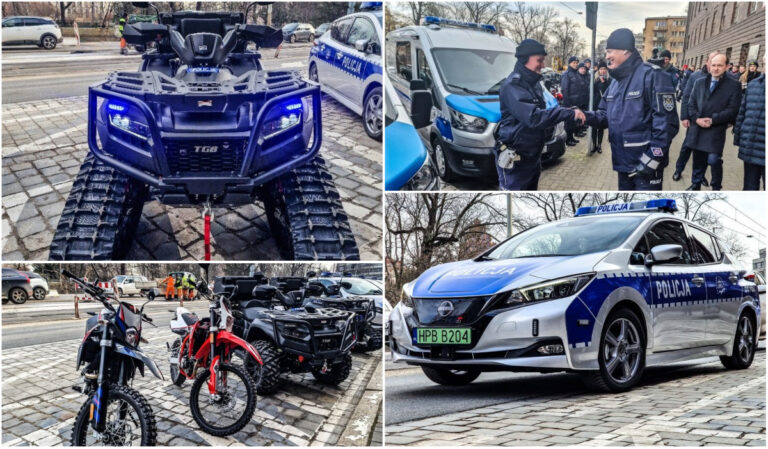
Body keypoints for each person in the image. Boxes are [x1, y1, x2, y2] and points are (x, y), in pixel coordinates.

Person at [583, 28, 679, 190]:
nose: (606, 57)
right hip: (623, 164)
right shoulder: (615, 82)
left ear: (625, 51)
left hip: (646, 168)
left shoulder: (653, 76)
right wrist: (581, 116)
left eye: (609, 51)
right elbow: (604, 115)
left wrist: (650, 162)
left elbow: (667, 124)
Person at [496, 39, 585, 190]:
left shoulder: (534, 83)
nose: (543, 65)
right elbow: (534, 117)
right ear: (525, 59)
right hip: (515, 158)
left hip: (532, 155)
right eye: (540, 60)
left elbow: (545, 112)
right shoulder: (512, 86)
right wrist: (567, 113)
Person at [686, 52, 742, 191]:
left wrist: (713, 120)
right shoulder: (699, 82)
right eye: (713, 65)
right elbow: (691, 103)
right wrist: (697, 119)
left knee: (713, 159)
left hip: (716, 129)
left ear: (727, 66)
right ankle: (695, 184)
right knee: (698, 159)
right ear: (709, 65)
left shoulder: (733, 85)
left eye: (719, 65)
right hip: (698, 127)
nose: (716, 68)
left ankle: (716, 186)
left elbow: (733, 109)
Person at [672, 52, 716, 183]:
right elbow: (686, 96)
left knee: (704, 150)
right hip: (694, 119)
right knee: (687, 147)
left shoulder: (723, 79)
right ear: (707, 62)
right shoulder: (696, 76)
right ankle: (678, 170)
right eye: (712, 61)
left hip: (711, 122)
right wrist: (685, 117)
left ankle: (699, 175)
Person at [733, 71, 764, 190]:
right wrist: (738, 137)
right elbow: (742, 112)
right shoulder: (753, 85)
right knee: (749, 188)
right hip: (751, 147)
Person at [560, 56, 582, 146]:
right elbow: (565, 89)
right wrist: (568, 103)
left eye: (577, 63)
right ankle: (568, 140)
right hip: (569, 102)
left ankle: (572, 137)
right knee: (569, 122)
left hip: (576, 102)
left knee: (574, 121)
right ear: (569, 64)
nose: (576, 64)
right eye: (574, 63)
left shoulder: (576, 74)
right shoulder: (567, 74)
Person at [590, 61, 611, 154]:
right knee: (594, 126)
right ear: (598, 70)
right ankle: (594, 145)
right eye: (601, 69)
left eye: (604, 69)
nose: (603, 71)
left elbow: (609, 93)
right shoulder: (594, 80)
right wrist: (597, 82)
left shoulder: (609, 81)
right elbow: (590, 91)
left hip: (603, 107)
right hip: (595, 105)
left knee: (601, 127)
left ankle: (599, 145)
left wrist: (604, 83)